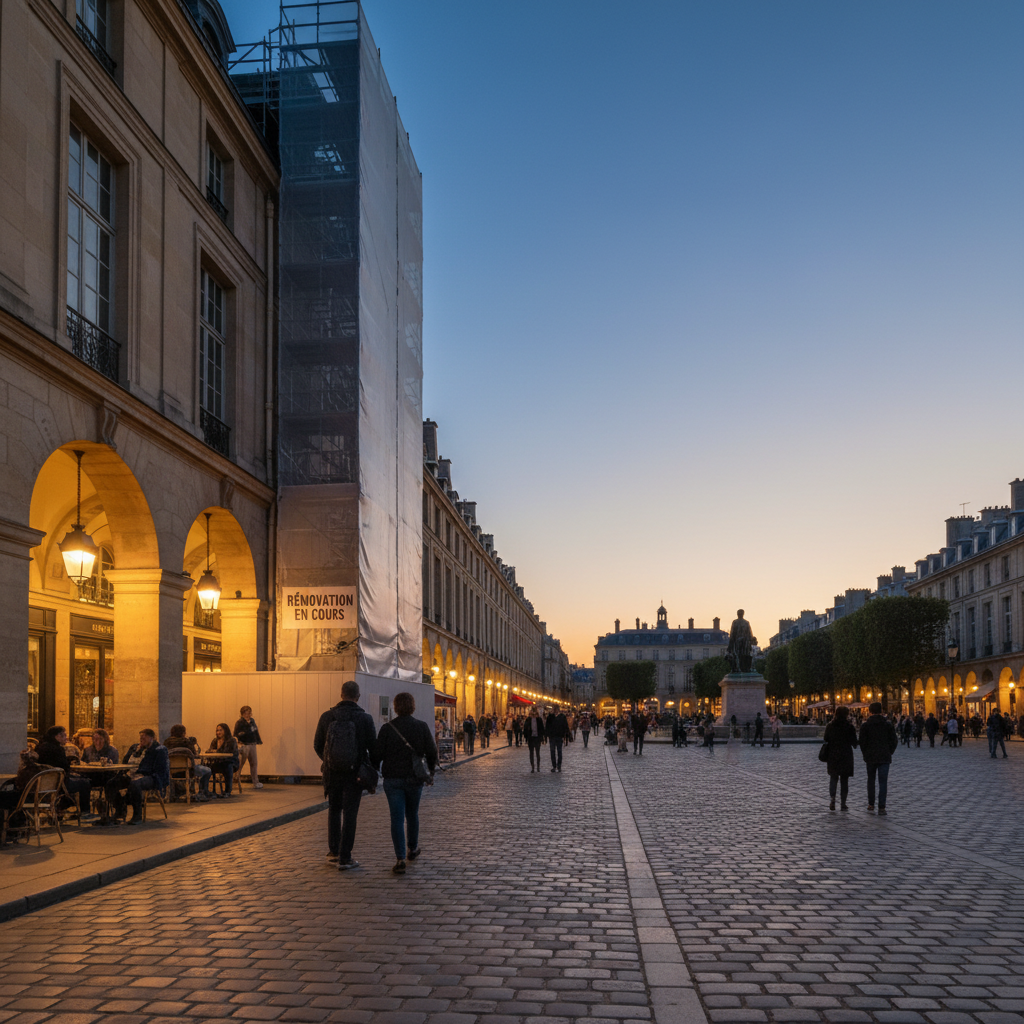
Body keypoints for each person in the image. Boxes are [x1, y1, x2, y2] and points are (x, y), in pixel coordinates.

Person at [313, 680, 378, 869]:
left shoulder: (327, 716)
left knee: (334, 810)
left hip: (332, 774)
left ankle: (333, 851)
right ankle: (345, 856)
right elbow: (372, 748)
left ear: (341, 695)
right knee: (350, 814)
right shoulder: (365, 719)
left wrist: (329, 761)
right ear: (357, 697)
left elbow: (318, 744)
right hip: (354, 774)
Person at [376, 692, 438, 875]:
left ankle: (400, 858)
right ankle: (413, 848)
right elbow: (432, 751)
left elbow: (377, 754)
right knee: (412, 815)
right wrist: (431, 772)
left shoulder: (387, 729)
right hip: (414, 778)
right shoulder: (421, 726)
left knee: (396, 818)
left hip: (393, 780)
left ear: (395, 707)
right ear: (413, 707)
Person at [101, 729, 170, 825]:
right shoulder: (135, 747)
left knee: (135, 784)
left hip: (151, 776)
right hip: (132, 774)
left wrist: (143, 770)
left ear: (152, 738)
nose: (142, 740)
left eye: (144, 738)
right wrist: (136, 752)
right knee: (111, 783)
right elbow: (125, 761)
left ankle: (137, 815)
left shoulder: (159, 749)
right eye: (141, 738)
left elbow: (158, 768)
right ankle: (119, 809)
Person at [35, 726, 95, 820]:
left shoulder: (39, 747)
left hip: (41, 783)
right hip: (58, 783)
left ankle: (60, 809)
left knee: (78, 779)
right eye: (64, 736)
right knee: (85, 783)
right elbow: (64, 768)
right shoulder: (58, 749)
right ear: (57, 736)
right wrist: (69, 761)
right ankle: (84, 812)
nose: (66, 738)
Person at [858, 702, 898, 815]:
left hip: (870, 756)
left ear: (870, 711)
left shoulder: (865, 725)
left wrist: (865, 753)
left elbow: (862, 742)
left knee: (871, 780)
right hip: (884, 756)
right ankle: (882, 807)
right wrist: (890, 751)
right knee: (883, 782)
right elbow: (894, 740)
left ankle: (871, 804)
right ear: (881, 711)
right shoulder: (888, 725)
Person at [822, 706, 858, 810]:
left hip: (833, 754)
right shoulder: (849, 726)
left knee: (833, 778)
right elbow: (854, 743)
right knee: (844, 780)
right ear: (846, 714)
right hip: (846, 755)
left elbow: (826, 738)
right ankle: (843, 803)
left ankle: (832, 799)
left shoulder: (830, 726)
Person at [164, 725, 212, 801]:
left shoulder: (166, 742)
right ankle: (202, 793)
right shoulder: (186, 742)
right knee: (207, 771)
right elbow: (195, 755)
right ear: (183, 733)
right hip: (188, 771)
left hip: (171, 771)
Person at [233, 706, 264, 789]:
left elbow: (255, 731)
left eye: (249, 713)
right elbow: (236, 734)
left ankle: (255, 781)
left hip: (252, 744)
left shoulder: (252, 721)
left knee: (254, 763)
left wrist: (258, 740)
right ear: (242, 714)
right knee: (240, 763)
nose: (248, 715)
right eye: (245, 713)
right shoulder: (239, 722)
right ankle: (235, 778)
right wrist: (241, 737)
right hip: (244, 744)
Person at [206, 723, 239, 797]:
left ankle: (227, 791)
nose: (218, 732)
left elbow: (227, 752)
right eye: (217, 730)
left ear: (225, 730)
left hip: (231, 762)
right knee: (206, 767)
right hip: (219, 762)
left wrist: (216, 751)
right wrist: (213, 751)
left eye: (220, 730)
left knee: (228, 767)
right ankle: (205, 790)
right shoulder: (215, 740)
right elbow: (209, 750)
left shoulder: (231, 740)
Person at [523, 707, 546, 772]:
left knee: (537, 753)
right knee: (531, 753)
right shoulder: (528, 720)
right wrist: (526, 737)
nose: (533, 715)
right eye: (532, 713)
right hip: (531, 738)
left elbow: (542, 729)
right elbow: (525, 729)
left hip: (537, 738)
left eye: (535, 713)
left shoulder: (539, 720)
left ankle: (538, 766)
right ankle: (532, 767)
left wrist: (542, 738)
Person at [546, 707, 569, 772]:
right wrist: (547, 735)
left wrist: (566, 736)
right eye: (554, 710)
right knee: (552, 752)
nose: (555, 711)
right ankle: (554, 766)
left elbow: (565, 726)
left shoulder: (562, 717)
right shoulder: (550, 717)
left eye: (556, 710)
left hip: (559, 737)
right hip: (552, 737)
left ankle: (559, 766)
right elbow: (547, 726)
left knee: (559, 752)